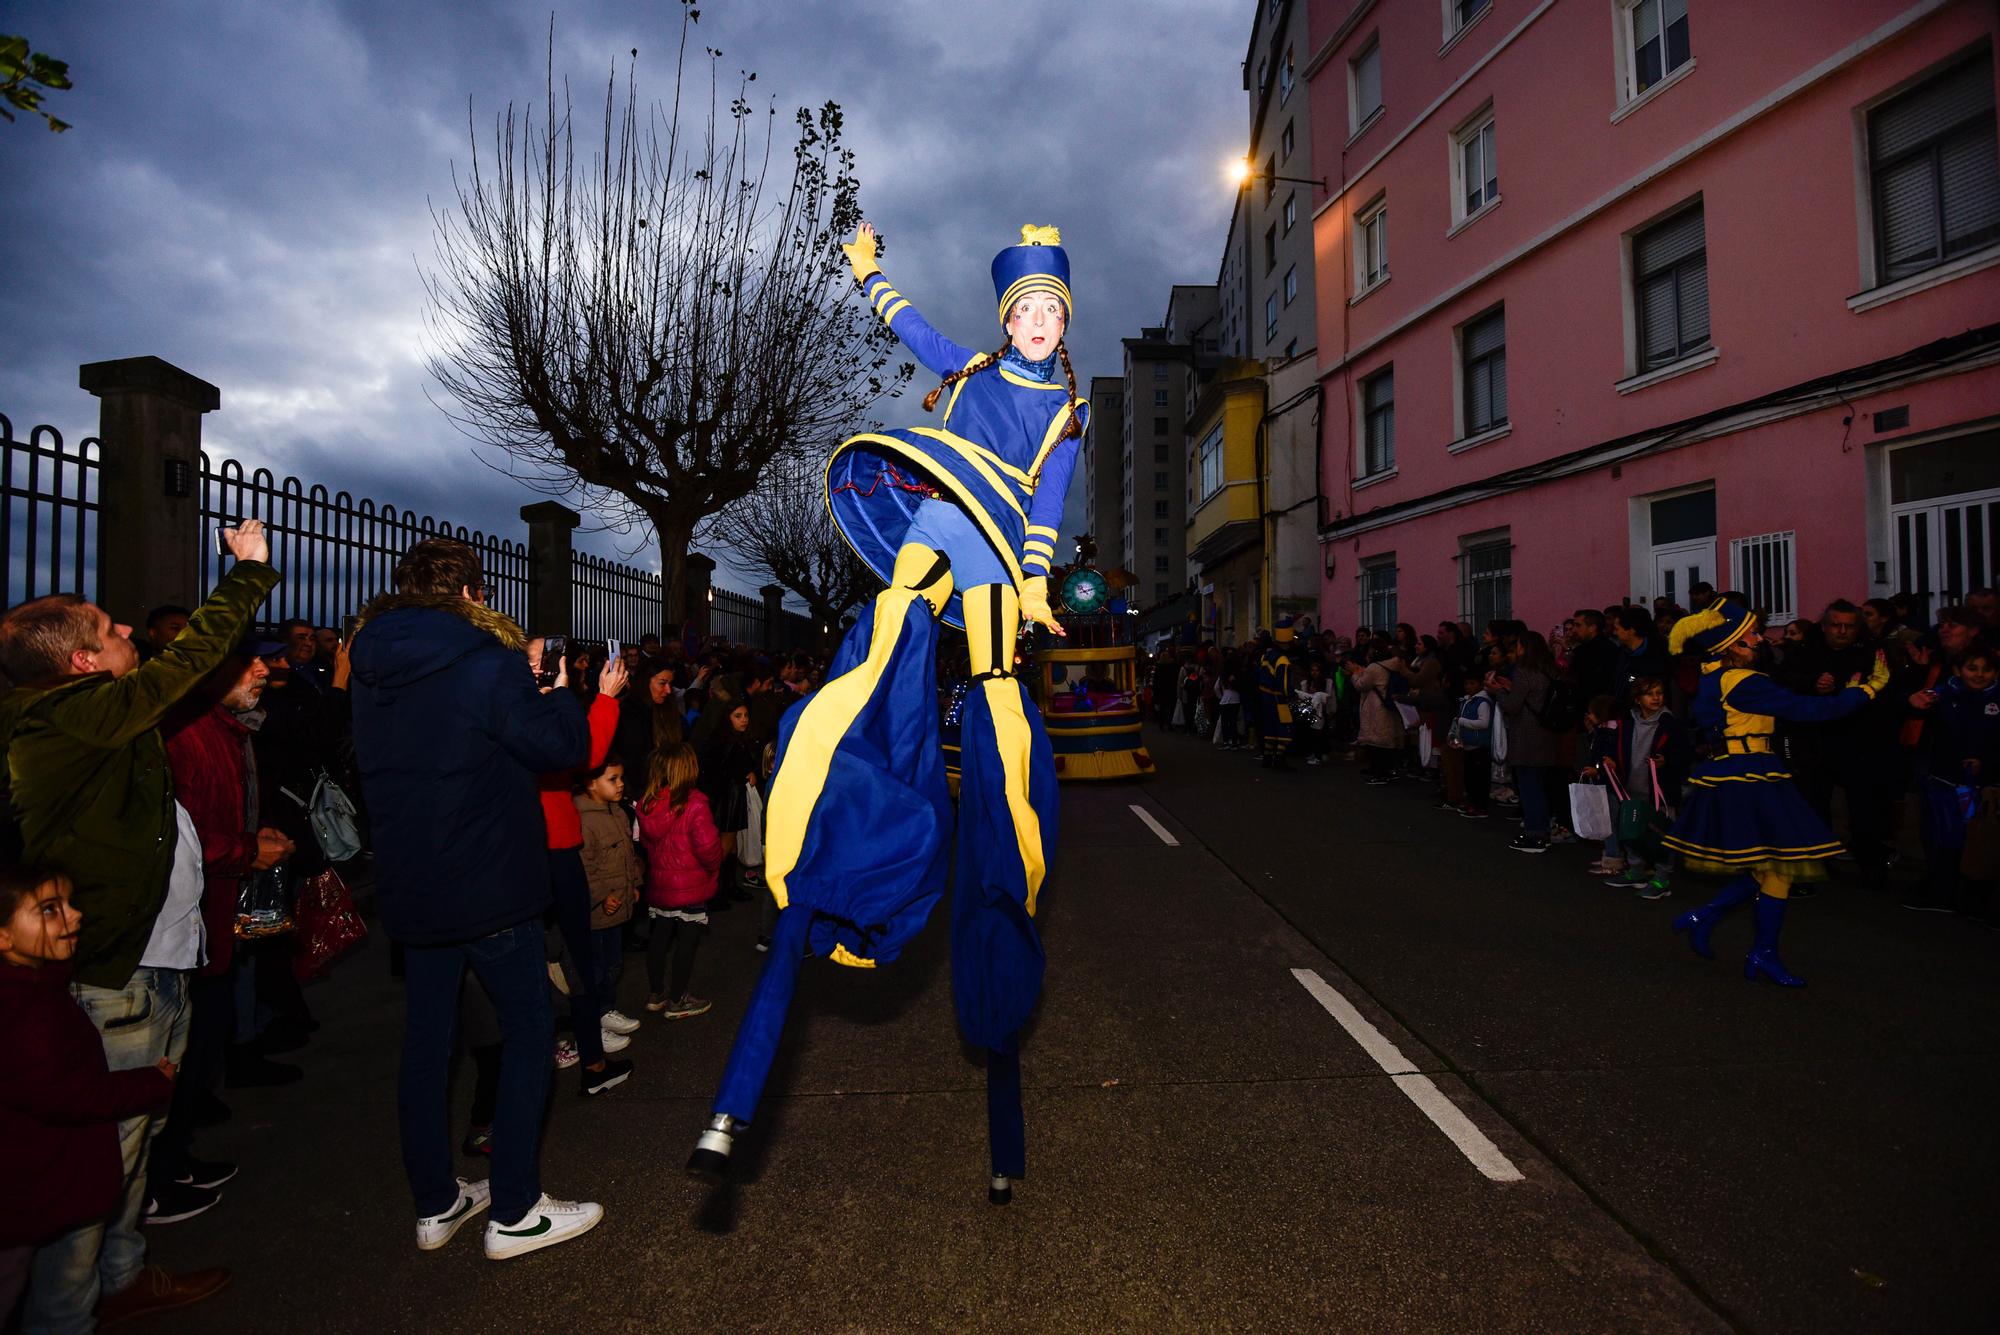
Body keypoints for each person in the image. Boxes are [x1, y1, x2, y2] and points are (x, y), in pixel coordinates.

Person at [690, 222, 1086, 1201]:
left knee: (994, 688)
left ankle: (995, 855)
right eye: (1027, 309)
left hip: (998, 548)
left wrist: (1037, 585)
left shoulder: (1067, 413)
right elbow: (910, 329)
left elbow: (1047, 506)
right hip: (945, 512)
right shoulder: (974, 367)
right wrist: (868, 271)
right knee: (892, 628)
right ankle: (834, 794)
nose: (1038, 321)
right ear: (1009, 320)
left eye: (1051, 310)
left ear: (1063, 323)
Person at [0, 523, 274, 1330]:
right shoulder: (67, 716)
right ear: (83, 661)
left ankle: (118, 1277)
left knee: (134, 1141)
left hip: (152, 960)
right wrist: (248, 573)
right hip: (119, 973)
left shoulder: (89, 714)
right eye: (108, 626)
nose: (127, 627)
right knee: (102, 1152)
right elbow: (184, 667)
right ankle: (67, 1314)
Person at [348, 536, 604, 1260]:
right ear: (471, 593)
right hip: (487, 880)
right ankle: (515, 1210)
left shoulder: (368, 662)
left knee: (427, 1044)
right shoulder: (488, 660)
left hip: (412, 880)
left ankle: (436, 1201)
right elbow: (562, 751)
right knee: (528, 1030)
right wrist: (555, 692)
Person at [1660, 601, 1890, 986]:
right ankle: (1755, 948)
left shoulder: (1715, 675)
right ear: (1731, 645)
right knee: (1781, 865)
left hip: (1739, 772)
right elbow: (1807, 710)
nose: (1759, 639)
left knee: (1770, 867)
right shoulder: (1744, 681)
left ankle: (1712, 921)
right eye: (1750, 635)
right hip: (1749, 776)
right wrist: (1866, 690)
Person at [151, 643, 296, 1225]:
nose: (263, 670)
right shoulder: (187, 736)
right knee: (179, 1050)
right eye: (244, 663)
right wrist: (244, 849)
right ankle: (158, 1177)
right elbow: (176, 834)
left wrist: (252, 834)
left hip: (210, 917)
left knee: (202, 1039)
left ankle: (174, 1159)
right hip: (186, 922)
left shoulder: (228, 730)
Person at [0, 868, 180, 1326]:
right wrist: (151, 1083)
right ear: (2, 936)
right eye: (49, 910)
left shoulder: (37, 987)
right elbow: (68, 1092)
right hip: (37, 1189)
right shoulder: (22, 1011)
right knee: (61, 1304)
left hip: (43, 1186)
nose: (75, 915)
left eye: (69, 903)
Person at [527, 635, 631, 1091]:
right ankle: (578, 1059)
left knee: (571, 958)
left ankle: (589, 1060)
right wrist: (603, 699)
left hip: (546, 850)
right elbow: (581, 753)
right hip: (540, 852)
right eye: (536, 659)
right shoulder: (518, 709)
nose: (547, 667)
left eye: (552, 658)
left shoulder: (529, 705)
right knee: (558, 958)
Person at [1902, 647, 2000, 916]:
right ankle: (1943, 893)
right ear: (1958, 670)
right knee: (1945, 838)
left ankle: (1976, 899)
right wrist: (1912, 701)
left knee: (1980, 841)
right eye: (1972, 668)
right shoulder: (1943, 694)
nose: (1979, 675)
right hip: (1945, 780)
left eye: (1987, 670)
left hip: (1985, 786)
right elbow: (1914, 710)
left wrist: (1986, 763)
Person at [1583, 677, 1688, 898]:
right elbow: (1617, 748)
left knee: (1662, 832)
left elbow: (1683, 755)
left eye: (1659, 693)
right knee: (1631, 830)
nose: (1656, 698)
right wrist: (1612, 763)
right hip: (1631, 785)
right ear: (1638, 699)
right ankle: (1636, 870)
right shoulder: (1628, 722)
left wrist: (1666, 761)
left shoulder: (1670, 724)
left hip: (1660, 791)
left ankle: (1662, 878)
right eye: (1650, 694)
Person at [638, 743, 722, 1017]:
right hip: (690, 886)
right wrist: (713, 869)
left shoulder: (647, 803)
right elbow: (708, 847)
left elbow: (647, 845)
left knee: (659, 937)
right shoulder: (695, 803)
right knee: (687, 941)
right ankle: (677, 999)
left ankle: (656, 993)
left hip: (660, 884)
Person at [574, 759, 643, 1036]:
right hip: (598, 913)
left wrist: (634, 883)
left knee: (614, 964)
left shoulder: (618, 812)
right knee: (597, 968)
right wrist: (602, 897)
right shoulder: (584, 820)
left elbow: (628, 855)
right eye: (612, 779)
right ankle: (595, 1023)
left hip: (619, 907)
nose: (621, 784)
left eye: (621, 778)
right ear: (591, 783)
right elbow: (584, 869)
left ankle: (607, 1010)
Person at [1494, 631, 1562, 853]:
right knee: (1539, 786)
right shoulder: (1549, 670)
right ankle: (1542, 831)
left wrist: (1499, 692)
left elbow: (1513, 706)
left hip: (1526, 735)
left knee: (1529, 787)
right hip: (1546, 732)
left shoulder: (1524, 671)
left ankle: (1535, 835)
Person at [1448, 671, 1495, 819]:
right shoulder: (1467, 701)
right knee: (1470, 778)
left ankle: (1481, 806)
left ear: (1480, 684)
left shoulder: (1482, 702)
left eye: (1472, 683)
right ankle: (1472, 803)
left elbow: (1484, 723)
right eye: (1466, 684)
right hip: (1468, 745)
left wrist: (1462, 721)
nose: (1468, 686)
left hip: (1480, 746)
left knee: (1480, 779)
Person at [1256, 623, 1296, 770]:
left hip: (1265, 697)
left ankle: (1267, 757)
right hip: (1278, 698)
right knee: (1284, 726)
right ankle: (1280, 759)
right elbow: (1283, 684)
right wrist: (1291, 695)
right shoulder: (1282, 660)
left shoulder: (1266, 656)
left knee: (1270, 726)